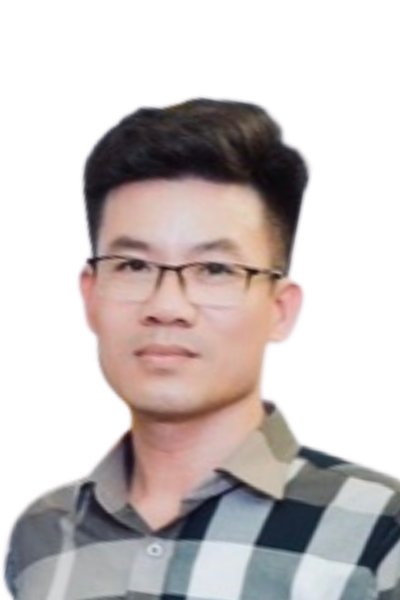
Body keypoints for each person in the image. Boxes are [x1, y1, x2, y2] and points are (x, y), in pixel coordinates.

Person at [4, 98, 400, 600]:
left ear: (280, 309)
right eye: (133, 266)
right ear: (90, 295)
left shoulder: (378, 532)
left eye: (214, 269)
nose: (167, 306)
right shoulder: (43, 537)